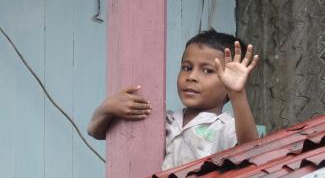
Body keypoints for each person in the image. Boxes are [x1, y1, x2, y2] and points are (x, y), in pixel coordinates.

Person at [87, 29, 259, 170]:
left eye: (207, 71)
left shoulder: (224, 126)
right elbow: (96, 131)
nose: (191, 77)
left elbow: (250, 149)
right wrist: (107, 108)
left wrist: (237, 93)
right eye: (186, 67)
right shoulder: (163, 119)